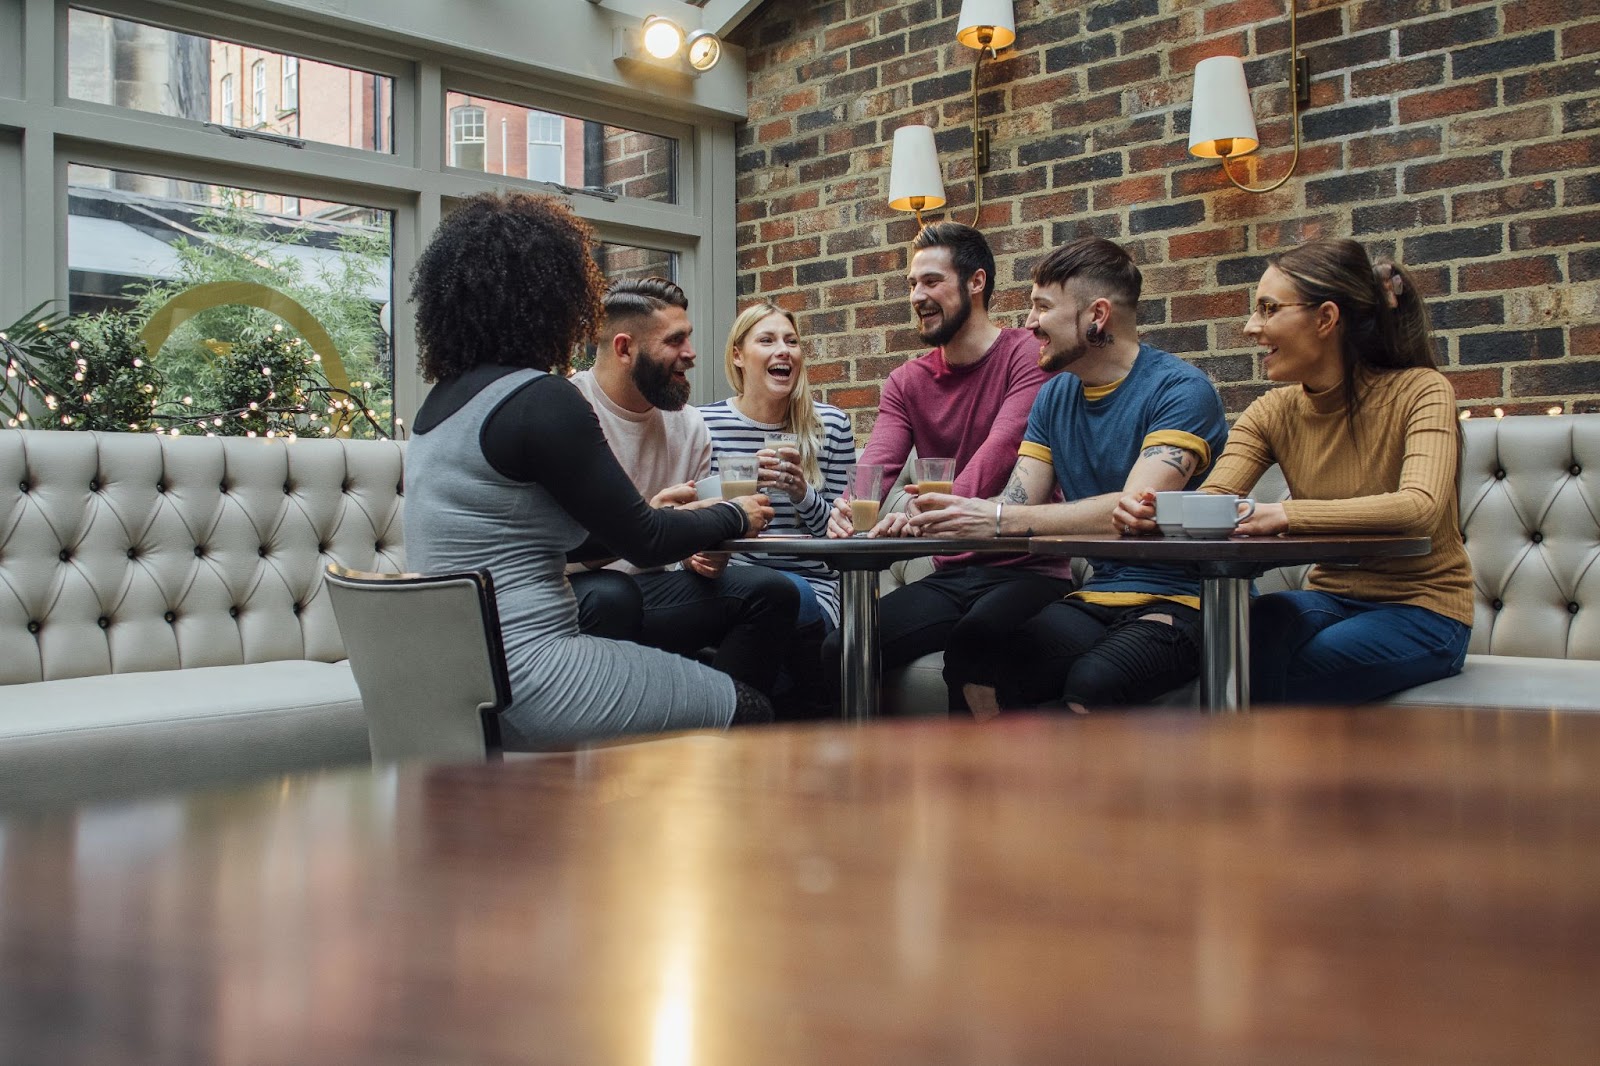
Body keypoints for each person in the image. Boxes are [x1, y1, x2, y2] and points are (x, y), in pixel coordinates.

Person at [402, 192, 775, 748]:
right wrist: (734, 514)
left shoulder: (441, 405)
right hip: (530, 674)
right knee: (751, 712)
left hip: (459, 678)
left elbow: (535, 542)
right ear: (551, 299)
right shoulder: (541, 398)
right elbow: (647, 544)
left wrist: (650, 514)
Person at [1114, 237, 1473, 703]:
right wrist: (1158, 510)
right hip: (1330, 600)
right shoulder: (1272, 411)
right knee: (1245, 633)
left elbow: (1419, 508)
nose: (1249, 327)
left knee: (1290, 665)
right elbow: (1220, 495)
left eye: (1267, 309)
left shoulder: (1422, 390)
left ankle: (1257, 772)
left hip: (1425, 611)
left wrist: (1285, 514)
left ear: (1326, 318)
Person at [914, 236, 1229, 715]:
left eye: (1042, 308)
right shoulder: (1055, 395)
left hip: (1187, 601)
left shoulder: (1181, 390)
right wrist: (950, 515)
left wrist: (996, 518)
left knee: (1093, 680)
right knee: (976, 653)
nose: (1029, 323)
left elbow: (1133, 509)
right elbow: (1019, 502)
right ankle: (993, 785)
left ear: (1096, 315)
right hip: (1099, 595)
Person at [820, 221, 1075, 712]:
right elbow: (877, 463)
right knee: (842, 649)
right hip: (952, 571)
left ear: (975, 283)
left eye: (932, 281)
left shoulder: (1028, 354)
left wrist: (922, 514)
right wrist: (850, 507)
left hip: (1029, 569)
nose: (917, 295)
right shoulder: (905, 381)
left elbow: (999, 455)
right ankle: (876, 778)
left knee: (974, 643)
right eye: (913, 284)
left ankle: (976, 786)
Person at [568, 277, 801, 702]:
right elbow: (555, 546)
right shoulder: (567, 408)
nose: (691, 355)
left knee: (773, 592)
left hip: (652, 587)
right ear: (624, 349)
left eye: (689, 338)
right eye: (676, 341)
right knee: (610, 595)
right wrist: (650, 523)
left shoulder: (690, 425)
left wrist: (702, 552)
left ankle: (726, 724)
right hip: (575, 592)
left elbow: (689, 544)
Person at [699, 303, 856, 715]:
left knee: (791, 593)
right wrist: (743, 486)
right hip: (733, 578)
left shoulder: (831, 427)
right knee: (772, 601)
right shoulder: (703, 424)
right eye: (766, 340)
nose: (783, 350)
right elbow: (696, 517)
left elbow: (844, 535)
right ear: (738, 354)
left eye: (791, 341)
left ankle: (739, 725)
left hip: (813, 584)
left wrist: (803, 493)